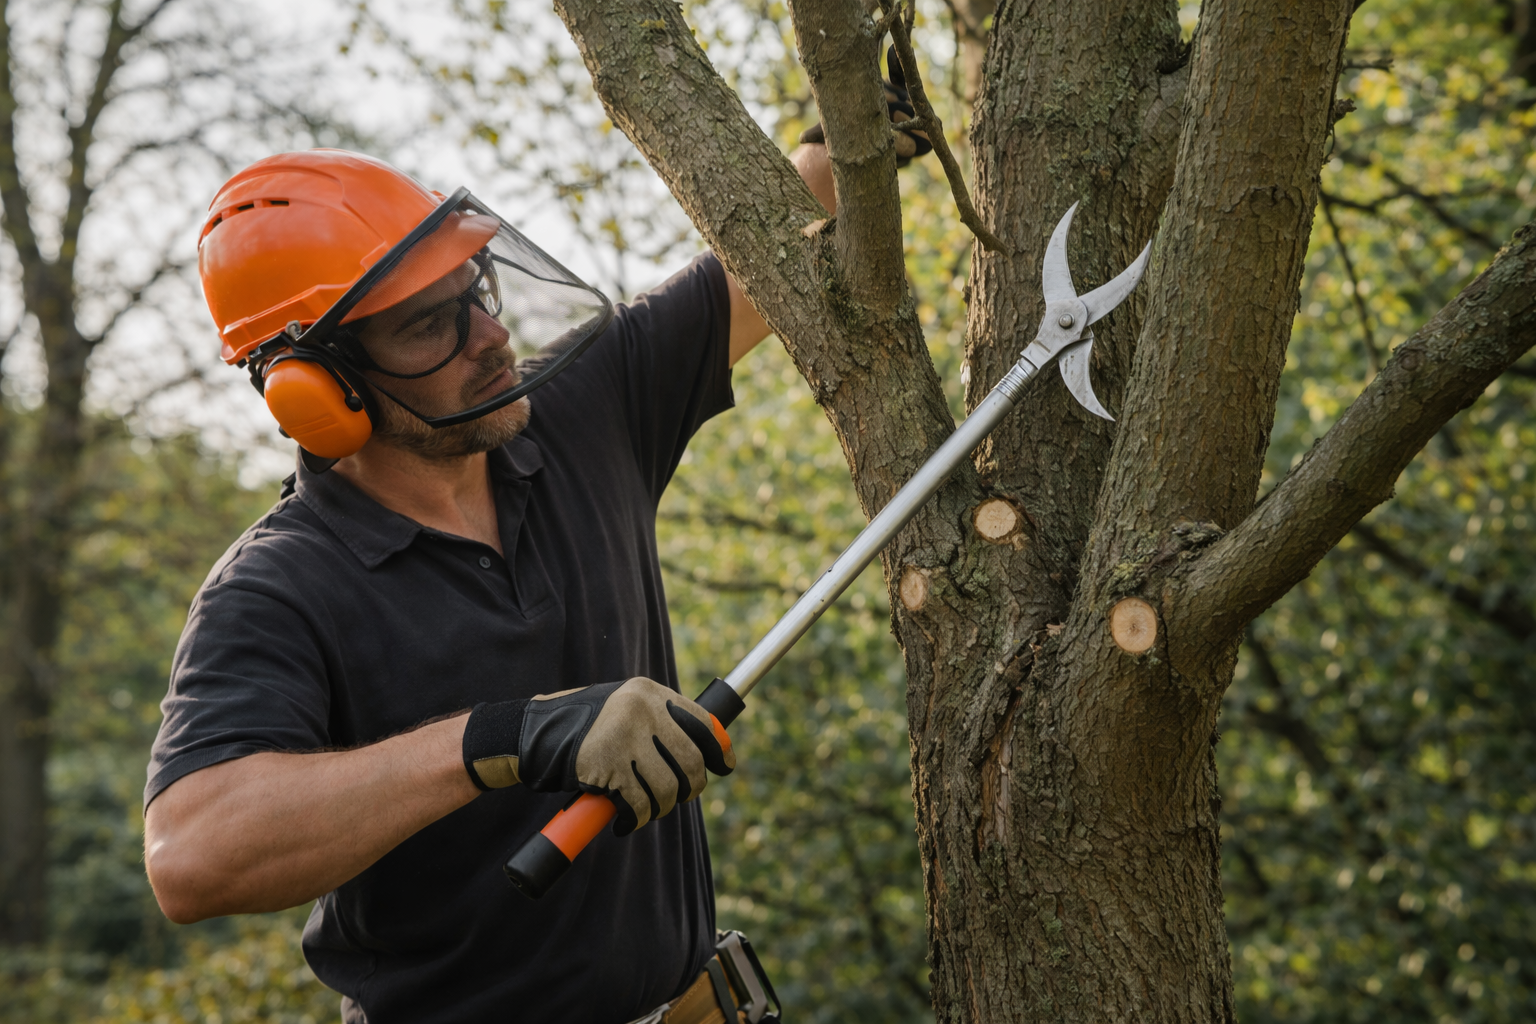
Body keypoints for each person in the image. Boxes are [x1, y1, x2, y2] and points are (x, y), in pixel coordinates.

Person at [142, 86, 926, 1024]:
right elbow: (193, 855)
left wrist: (854, 124)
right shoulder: (277, 587)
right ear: (318, 394)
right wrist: (504, 740)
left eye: (474, 292)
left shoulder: (580, 412)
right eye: (429, 324)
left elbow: (762, 258)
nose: (491, 336)